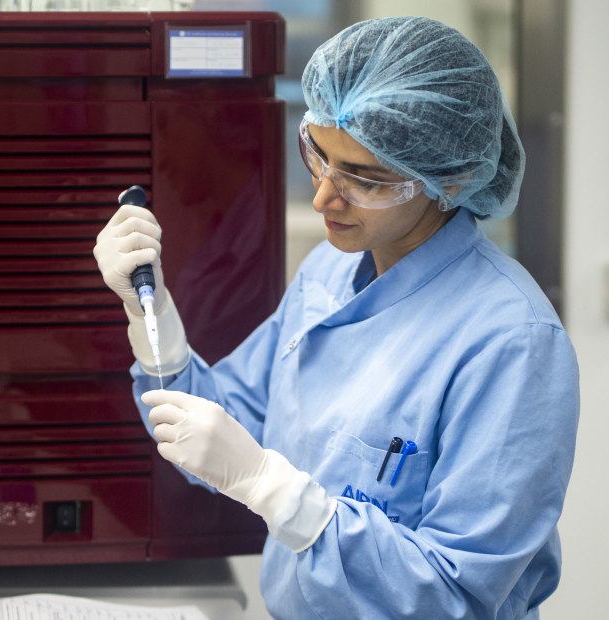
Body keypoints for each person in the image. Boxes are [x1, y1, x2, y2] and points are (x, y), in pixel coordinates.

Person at [94, 16, 579, 619]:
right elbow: (214, 431)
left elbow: (456, 598)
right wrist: (149, 312)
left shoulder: (511, 343)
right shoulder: (329, 274)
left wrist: (275, 490)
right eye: (319, 157)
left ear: (450, 180)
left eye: (365, 180)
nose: (324, 196)